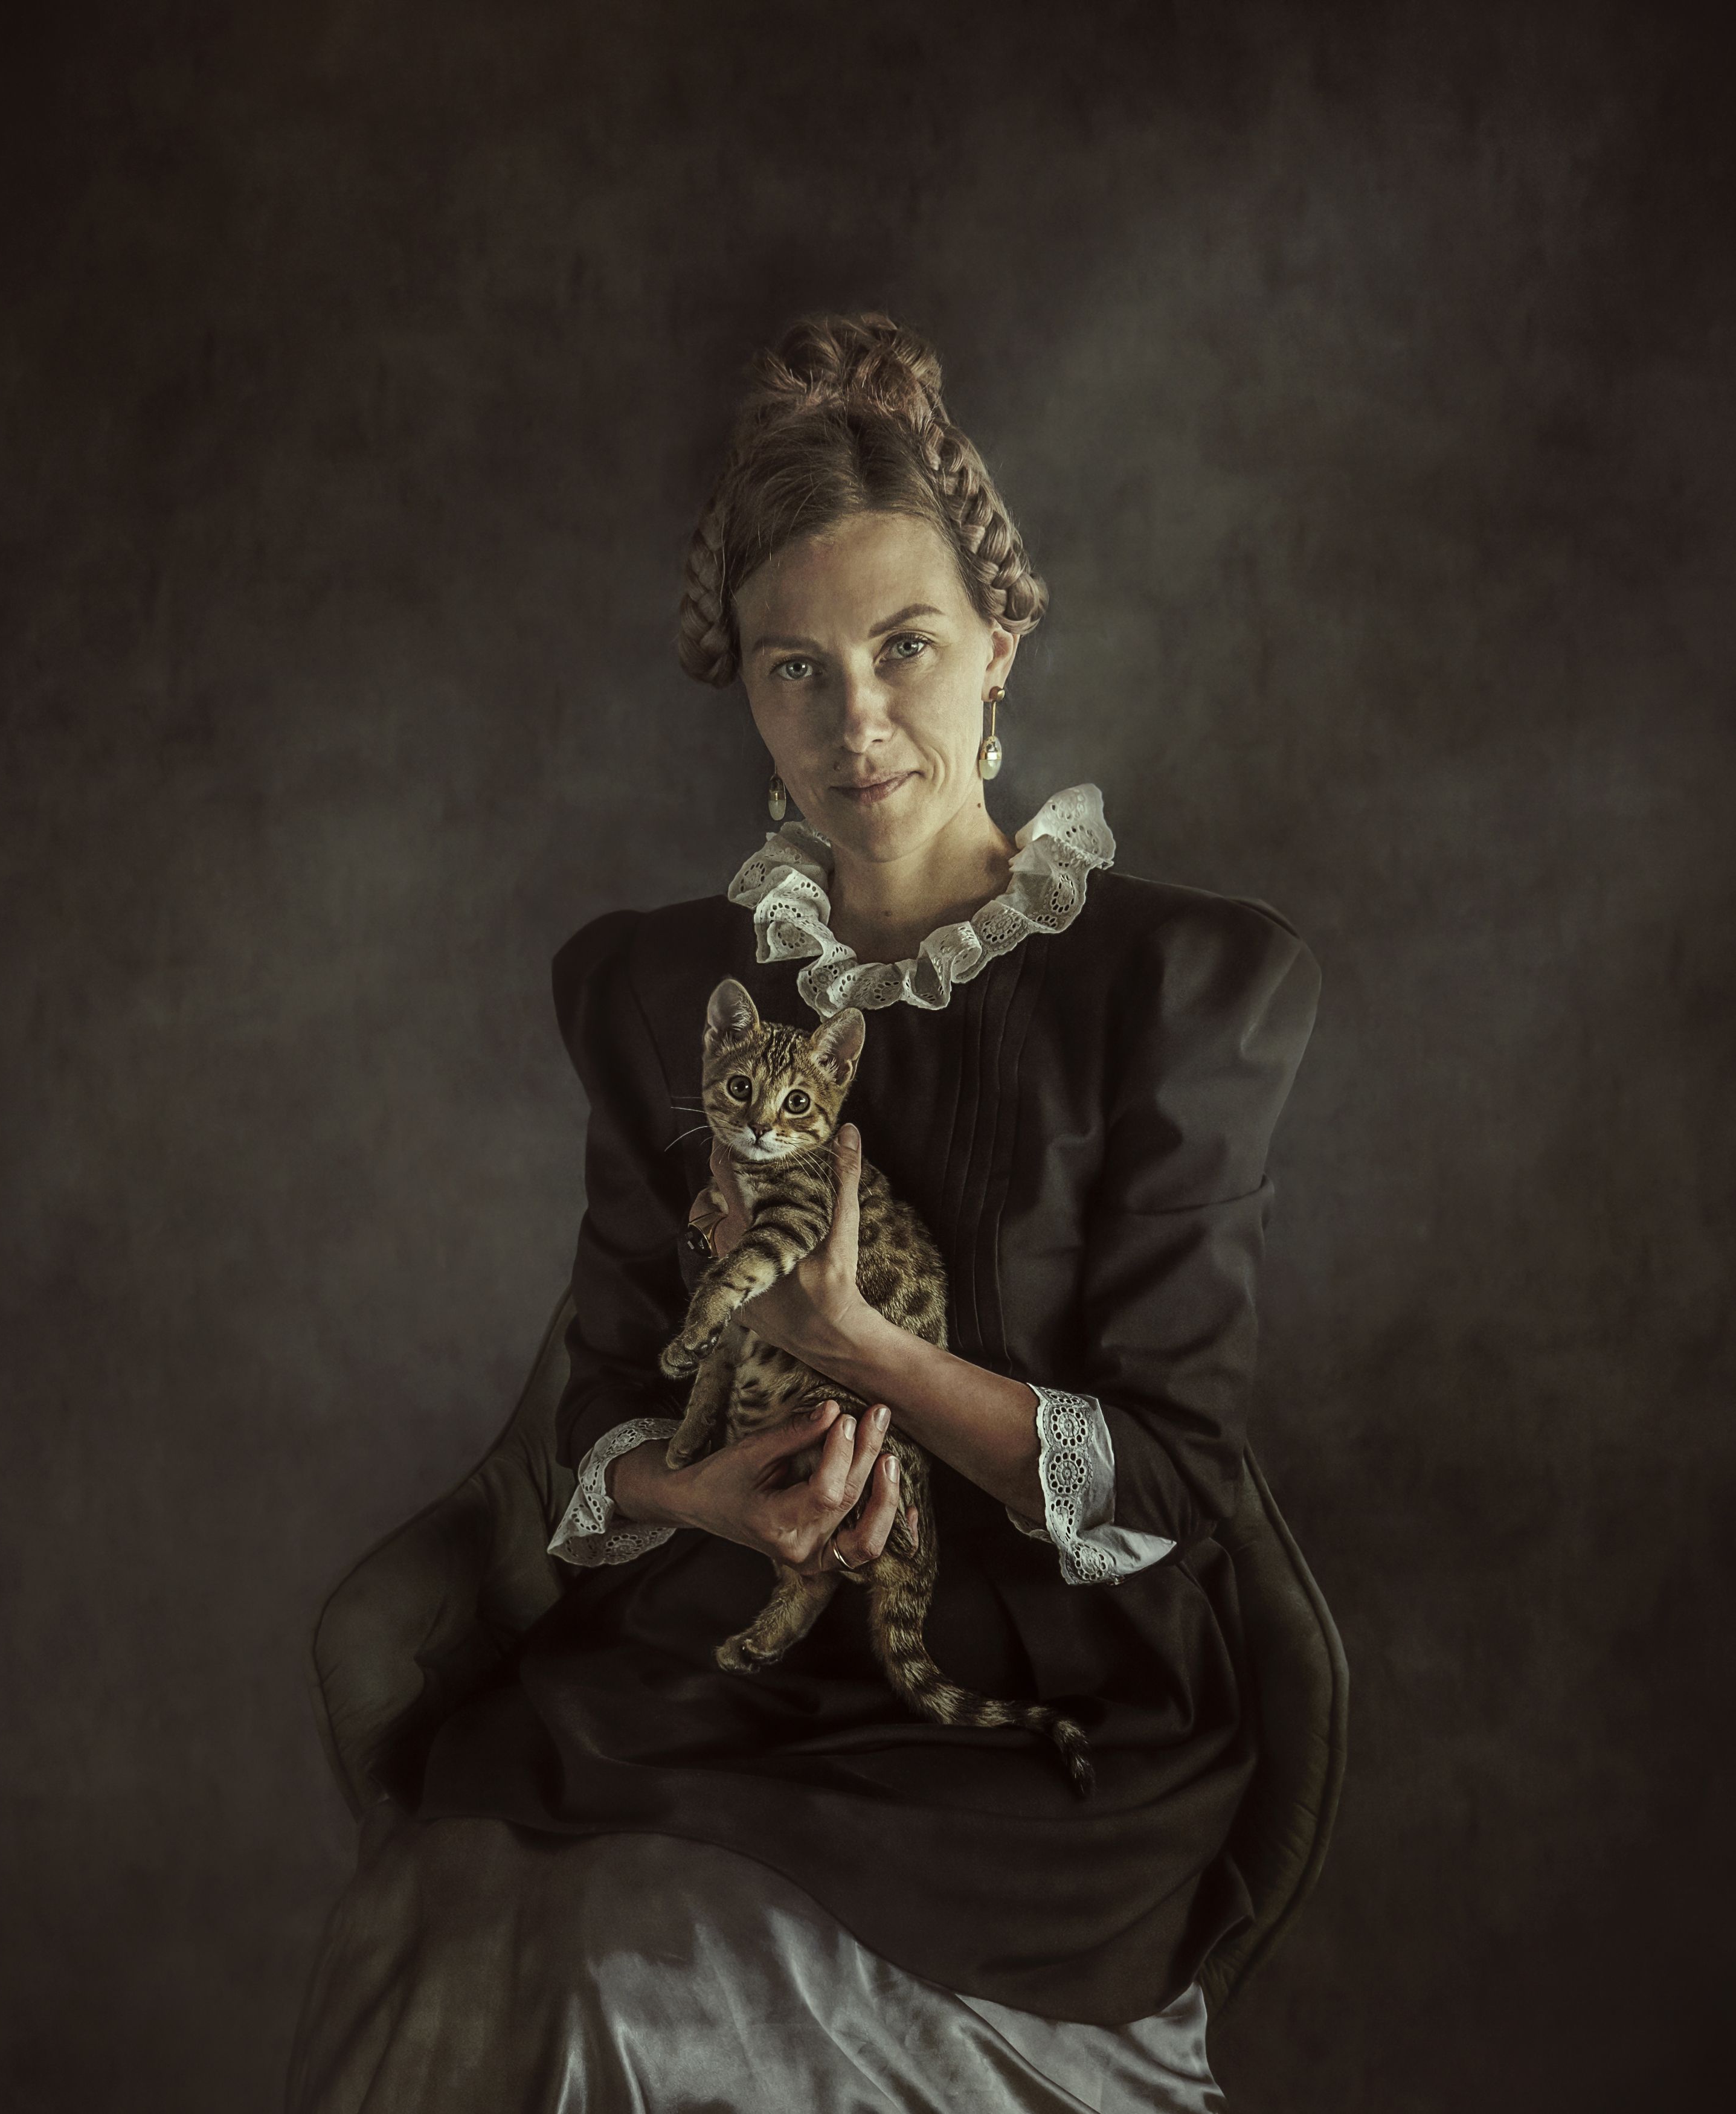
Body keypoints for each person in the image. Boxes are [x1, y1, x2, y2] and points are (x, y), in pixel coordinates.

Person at [286, 312, 1321, 2112]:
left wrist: (863, 1349)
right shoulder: (658, 989)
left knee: (625, 1976)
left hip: (1034, 1722)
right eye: (797, 668)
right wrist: (703, 1497)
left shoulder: (1179, 986)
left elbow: (1177, 1480)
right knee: (456, 1922)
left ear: (999, 649)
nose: (858, 722)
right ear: (750, 696)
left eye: (905, 648)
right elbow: (607, 1401)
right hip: (711, 1665)